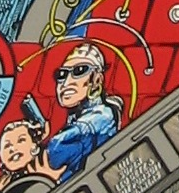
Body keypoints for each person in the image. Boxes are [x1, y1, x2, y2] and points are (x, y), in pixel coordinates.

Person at [41, 40, 122, 170]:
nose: (66, 83)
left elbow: (56, 149)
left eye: (79, 71)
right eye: (62, 74)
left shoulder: (100, 117)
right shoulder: (79, 117)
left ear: (97, 80)